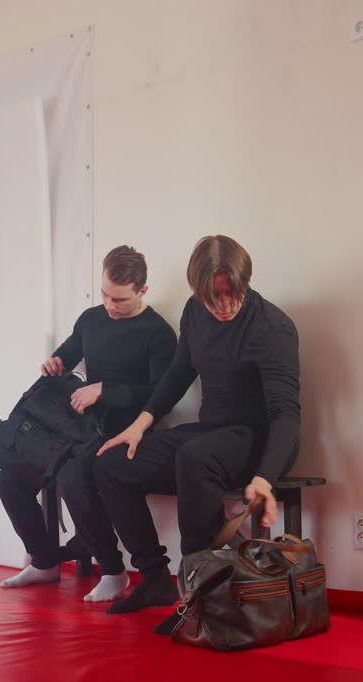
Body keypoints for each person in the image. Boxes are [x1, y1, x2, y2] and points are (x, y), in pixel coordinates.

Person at [94, 235, 301, 614]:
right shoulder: (194, 311)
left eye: (230, 293)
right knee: (110, 462)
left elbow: (286, 414)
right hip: (212, 436)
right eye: (212, 296)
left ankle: (199, 593)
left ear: (244, 281)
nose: (223, 305)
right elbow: (178, 373)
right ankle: (156, 579)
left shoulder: (273, 327)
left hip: (259, 440)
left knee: (195, 456)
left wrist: (265, 477)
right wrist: (141, 423)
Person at [0, 245, 178, 603]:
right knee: (9, 478)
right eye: (105, 295)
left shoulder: (158, 333)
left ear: (143, 291)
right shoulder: (91, 319)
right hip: (78, 428)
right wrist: (55, 362)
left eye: (120, 299)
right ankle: (45, 560)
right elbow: (68, 352)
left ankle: (113, 570)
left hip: (124, 431)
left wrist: (105, 390)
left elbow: (161, 395)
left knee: (71, 479)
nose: (110, 305)